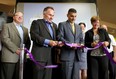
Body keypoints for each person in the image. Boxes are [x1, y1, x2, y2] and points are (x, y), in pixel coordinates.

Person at [0, 12, 31, 79]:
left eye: (22, 16)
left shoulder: (25, 29)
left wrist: (24, 51)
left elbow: (28, 42)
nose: (20, 17)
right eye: (18, 16)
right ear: (13, 17)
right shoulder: (6, 26)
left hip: (21, 58)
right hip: (9, 57)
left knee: (19, 77)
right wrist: (16, 49)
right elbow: (5, 39)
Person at [30, 6, 58, 79]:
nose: (51, 17)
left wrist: (58, 43)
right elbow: (34, 36)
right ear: (44, 14)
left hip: (50, 58)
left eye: (53, 15)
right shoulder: (36, 23)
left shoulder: (55, 25)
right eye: (49, 15)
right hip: (39, 57)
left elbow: (56, 39)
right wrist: (48, 42)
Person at [57, 8, 84, 79]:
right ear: (67, 15)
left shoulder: (78, 27)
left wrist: (80, 44)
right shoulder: (62, 24)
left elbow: (81, 39)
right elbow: (60, 37)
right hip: (67, 55)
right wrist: (71, 45)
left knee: (76, 77)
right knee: (66, 76)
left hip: (77, 55)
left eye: (75, 16)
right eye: (72, 16)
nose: (73, 18)